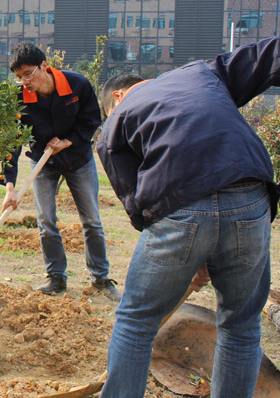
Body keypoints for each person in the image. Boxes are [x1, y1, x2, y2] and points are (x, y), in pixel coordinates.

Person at [96, 37, 280, 398]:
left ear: (116, 98)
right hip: (250, 196)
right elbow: (268, 55)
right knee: (241, 326)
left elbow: (138, 206)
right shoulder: (203, 73)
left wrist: (186, 252)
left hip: (178, 206)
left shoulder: (113, 125)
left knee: (135, 322)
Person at [1, 42, 120, 300]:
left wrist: (67, 142)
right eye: (19, 77)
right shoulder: (19, 97)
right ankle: (56, 278)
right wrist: (9, 187)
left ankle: (100, 279)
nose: (24, 82)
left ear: (45, 66)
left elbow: (91, 120)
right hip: (43, 162)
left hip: (78, 159)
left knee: (91, 220)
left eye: (29, 74)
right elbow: (11, 141)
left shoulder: (77, 85)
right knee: (46, 221)